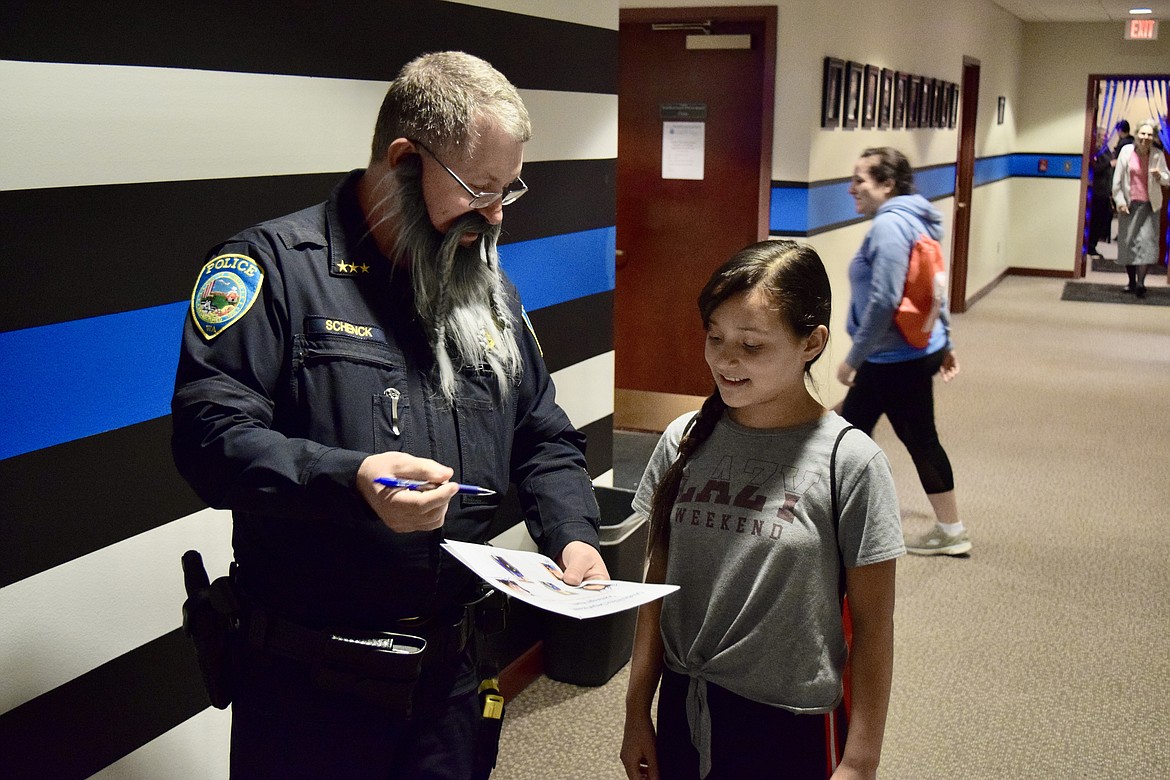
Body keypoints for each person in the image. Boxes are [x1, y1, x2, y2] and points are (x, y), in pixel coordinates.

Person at [171, 51, 609, 779]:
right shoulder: (274, 268)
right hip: (309, 692)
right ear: (404, 161)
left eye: (510, 190)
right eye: (480, 189)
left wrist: (574, 537)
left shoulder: (486, 287)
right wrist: (351, 481)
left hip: (450, 681)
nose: (497, 215)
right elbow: (209, 438)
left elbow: (542, 432)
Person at [620, 240, 904, 780]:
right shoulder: (684, 440)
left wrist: (861, 761)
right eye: (715, 337)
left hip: (789, 723)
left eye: (752, 346)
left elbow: (873, 625)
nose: (725, 361)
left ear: (812, 343)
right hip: (685, 704)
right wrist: (638, 711)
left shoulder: (851, 462)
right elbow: (654, 593)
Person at [837, 147, 969, 557]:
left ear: (887, 184)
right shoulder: (917, 217)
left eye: (860, 179)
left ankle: (951, 531)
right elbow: (936, 285)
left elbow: (884, 300)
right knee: (848, 431)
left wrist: (852, 358)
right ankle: (840, 518)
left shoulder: (890, 227)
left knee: (895, 437)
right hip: (908, 352)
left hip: (891, 358)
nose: (851, 188)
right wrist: (943, 340)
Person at [1112, 119, 1170, 297]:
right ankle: (1130, 282)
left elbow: (1167, 180)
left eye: (1149, 135)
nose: (1145, 138)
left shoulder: (1157, 155)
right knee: (1129, 243)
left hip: (1150, 206)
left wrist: (1160, 176)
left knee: (1147, 244)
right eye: (1143, 134)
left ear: (1153, 137)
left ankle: (1140, 283)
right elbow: (1117, 181)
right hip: (1129, 205)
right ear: (1136, 134)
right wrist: (1120, 202)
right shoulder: (1126, 152)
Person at [1087, 130, 1114, 258]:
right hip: (1097, 190)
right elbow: (1095, 168)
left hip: (1105, 191)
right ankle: (1090, 246)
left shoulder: (1106, 150)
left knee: (1101, 221)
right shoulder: (1095, 150)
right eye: (1104, 135)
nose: (1106, 137)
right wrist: (1109, 164)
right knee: (1095, 220)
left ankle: (1094, 244)